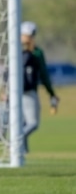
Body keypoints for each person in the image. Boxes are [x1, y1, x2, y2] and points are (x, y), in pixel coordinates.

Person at [20, 21, 59, 153]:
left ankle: (23, 153)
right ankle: (15, 141)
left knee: (24, 124)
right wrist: (51, 93)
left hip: (15, 94)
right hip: (28, 93)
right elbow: (44, 75)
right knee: (32, 123)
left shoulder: (14, 50)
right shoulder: (36, 53)